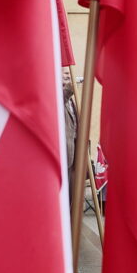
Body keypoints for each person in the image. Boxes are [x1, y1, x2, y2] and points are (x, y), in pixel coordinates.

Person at [62, 68, 78, 200]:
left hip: (73, 153)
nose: (68, 75)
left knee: (72, 195)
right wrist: (69, 89)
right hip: (63, 153)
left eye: (69, 73)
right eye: (65, 73)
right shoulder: (57, 94)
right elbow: (58, 101)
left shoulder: (71, 98)